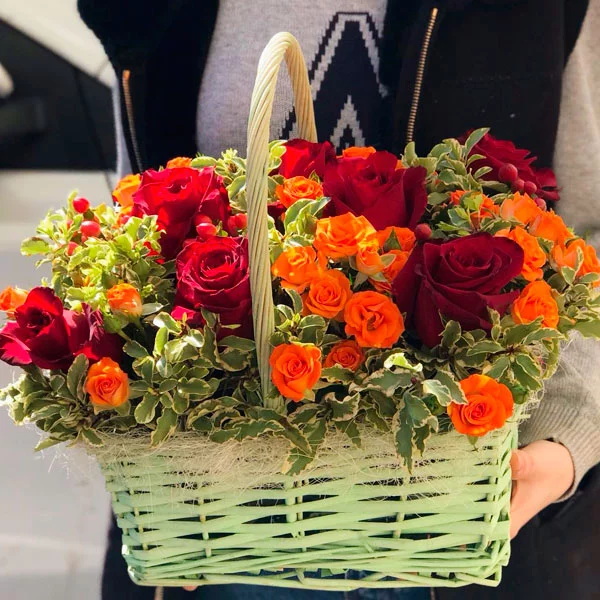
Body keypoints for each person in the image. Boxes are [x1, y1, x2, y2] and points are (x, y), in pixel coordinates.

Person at [78, 1, 600, 599]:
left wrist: (569, 434)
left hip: (471, 514)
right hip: (221, 534)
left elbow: (587, 233)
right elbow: (141, 222)